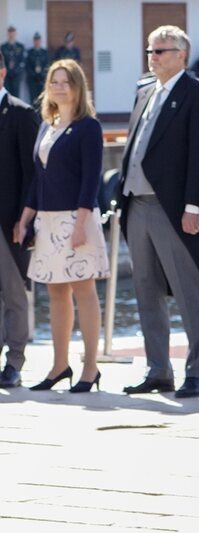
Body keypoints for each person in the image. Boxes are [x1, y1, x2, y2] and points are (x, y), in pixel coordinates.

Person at [118, 25, 199, 398]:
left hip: (173, 208)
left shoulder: (197, 92)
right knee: (146, 291)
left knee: (188, 289)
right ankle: (158, 369)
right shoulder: (144, 91)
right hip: (137, 203)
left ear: (181, 54)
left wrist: (195, 205)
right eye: (150, 50)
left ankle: (197, 372)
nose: (153, 56)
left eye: (160, 50)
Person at [15, 60, 107, 393]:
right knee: (56, 293)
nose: (58, 87)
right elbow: (38, 179)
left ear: (78, 87)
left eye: (65, 82)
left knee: (84, 292)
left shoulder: (88, 127)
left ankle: (90, 369)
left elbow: (90, 180)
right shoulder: (46, 125)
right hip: (47, 220)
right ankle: (59, 366)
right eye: (54, 81)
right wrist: (26, 218)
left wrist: (81, 224)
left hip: (76, 218)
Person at [0, 50, 40, 389]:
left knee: (14, 295)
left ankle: (14, 361)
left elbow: (33, 174)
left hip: (9, 221)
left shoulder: (21, 114)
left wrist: (25, 220)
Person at [25, 33, 50, 104]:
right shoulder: (29, 52)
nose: (37, 42)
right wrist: (34, 75)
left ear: (40, 41)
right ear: (33, 41)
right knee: (33, 99)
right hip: (32, 80)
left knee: (42, 99)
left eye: (38, 40)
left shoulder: (45, 52)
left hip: (42, 79)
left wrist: (41, 75)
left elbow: (47, 65)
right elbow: (27, 66)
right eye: (35, 40)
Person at [2, 26, 25, 96]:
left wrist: (17, 71)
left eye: (13, 33)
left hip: (17, 75)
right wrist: (6, 71)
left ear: (15, 34)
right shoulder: (3, 47)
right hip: (6, 75)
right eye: (10, 33)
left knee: (16, 94)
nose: (11, 35)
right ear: (7, 34)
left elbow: (23, 61)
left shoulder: (20, 46)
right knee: (6, 94)